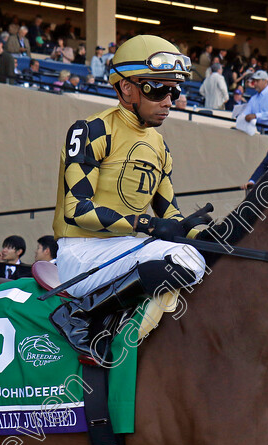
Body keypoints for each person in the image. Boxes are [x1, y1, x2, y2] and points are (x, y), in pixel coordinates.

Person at [50, 35, 208, 358]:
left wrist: (213, 237)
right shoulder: (91, 130)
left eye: (174, 90)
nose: (169, 100)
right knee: (182, 259)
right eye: (159, 89)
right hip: (81, 253)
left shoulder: (160, 146)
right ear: (126, 88)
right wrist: (146, 224)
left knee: (202, 259)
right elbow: (76, 210)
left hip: (122, 249)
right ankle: (79, 317)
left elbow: (171, 218)